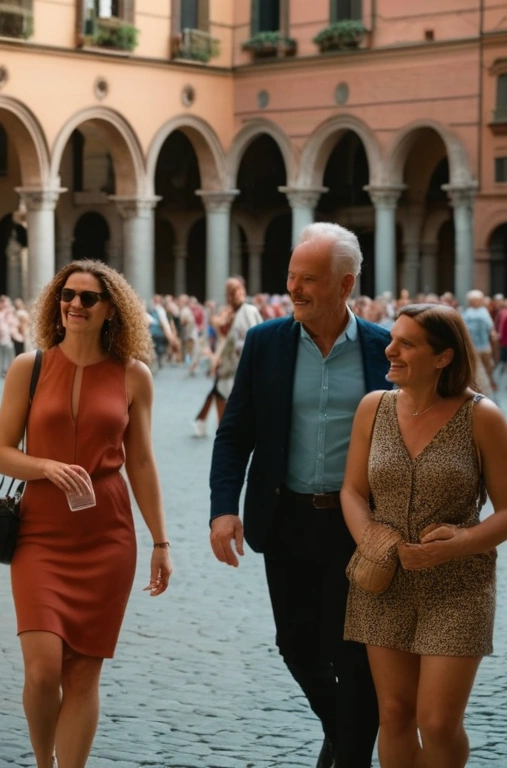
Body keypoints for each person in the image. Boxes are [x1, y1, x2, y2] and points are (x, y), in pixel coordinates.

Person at [209, 223, 392, 768]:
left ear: (345, 284)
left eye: (308, 279)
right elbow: (235, 432)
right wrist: (223, 509)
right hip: (285, 517)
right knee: (296, 645)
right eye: (291, 276)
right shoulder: (266, 343)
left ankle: (350, 756)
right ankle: (344, 734)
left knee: (353, 655)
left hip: (357, 526)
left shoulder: (386, 350)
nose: (294, 289)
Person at [0, 260, 173, 768]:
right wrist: (45, 465)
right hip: (40, 532)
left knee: (83, 675)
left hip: (107, 534)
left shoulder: (134, 376)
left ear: (111, 309)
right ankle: (43, 760)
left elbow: (140, 462)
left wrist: (161, 542)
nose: (74, 304)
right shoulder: (29, 367)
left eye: (88, 298)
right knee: (43, 670)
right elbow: (1, 452)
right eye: (67, 295)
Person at [342, 303, 507, 768]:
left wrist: (459, 543)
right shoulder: (373, 407)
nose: (390, 349)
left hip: (459, 585)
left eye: (407, 343)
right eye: (393, 339)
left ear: (443, 357)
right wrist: (373, 541)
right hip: (384, 582)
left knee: (439, 721)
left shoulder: (482, 416)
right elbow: (351, 491)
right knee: (396, 713)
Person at [193, 277, 262, 437]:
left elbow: (254, 337)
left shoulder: (248, 311)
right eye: (234, 291)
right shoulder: (229, 312)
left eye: (240, 290)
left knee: (223, 395)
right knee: (220, 394)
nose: (238, 294)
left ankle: (216, 427)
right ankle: (219, 428)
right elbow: (221, 337)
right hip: (226, 365)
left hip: (239, 367)